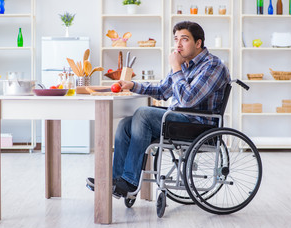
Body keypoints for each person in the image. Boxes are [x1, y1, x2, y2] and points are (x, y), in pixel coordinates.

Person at [86, 21, 231, 198]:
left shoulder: (213, 66)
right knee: (125, 124)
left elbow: (188, 100)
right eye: (176, 39)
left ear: (198, 43)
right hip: (178, 120)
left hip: (198, 125)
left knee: (143, 113)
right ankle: (117, 181)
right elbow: (162, 90)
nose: (178, 45)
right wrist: (133, 85)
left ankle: (130, 181)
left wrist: (176, 67)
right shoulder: (184, 64)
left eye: (184, 39)